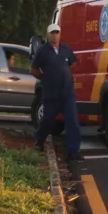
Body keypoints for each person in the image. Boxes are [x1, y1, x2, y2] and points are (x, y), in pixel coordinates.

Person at [30, 23, 83, 164]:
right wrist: (45, 77)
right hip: (51, 93)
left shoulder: (65, 48)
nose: (55, 35)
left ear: (60, 34)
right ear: (48, 34)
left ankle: (73, 151)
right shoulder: (42, 51)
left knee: (72, 121)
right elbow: (33, 70)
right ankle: (39, 141)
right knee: (47, 120)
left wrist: (63, 72)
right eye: (52, 33)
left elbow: (73, 63)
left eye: (57, 32)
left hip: (67, 92)